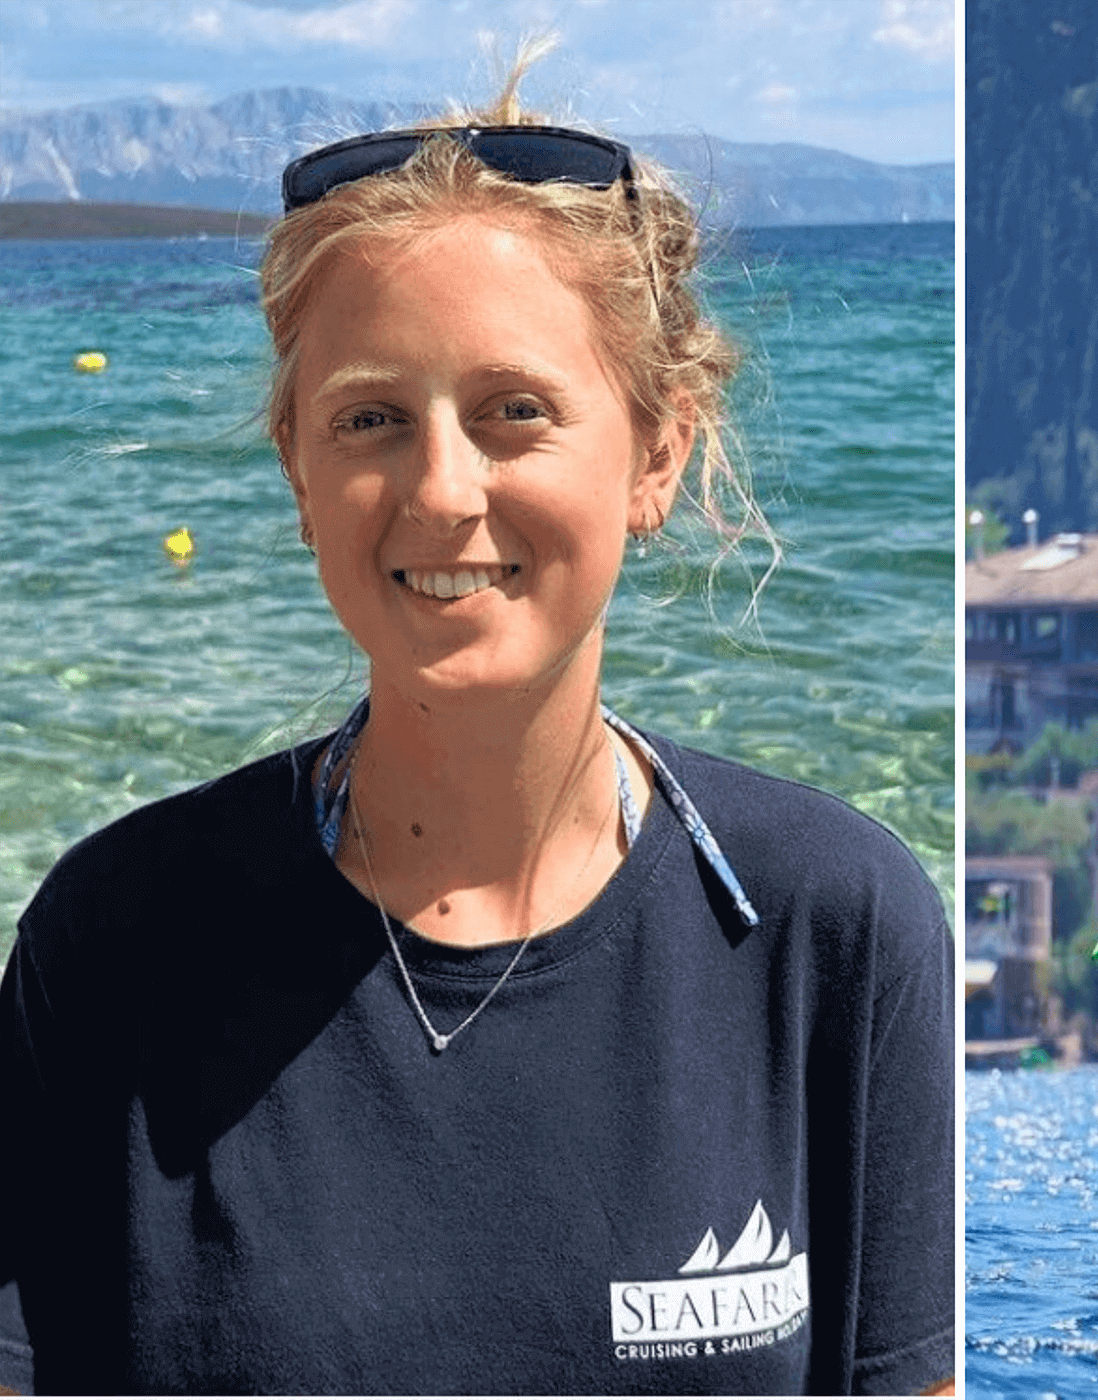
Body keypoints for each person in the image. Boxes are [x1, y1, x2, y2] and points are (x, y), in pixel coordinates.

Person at [0, 61, 953, 1397]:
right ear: (299, 469)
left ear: (658, 451)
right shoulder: (110, 945)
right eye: (372, 419)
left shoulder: (833, 933)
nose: (445, 492)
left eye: (516, 412)